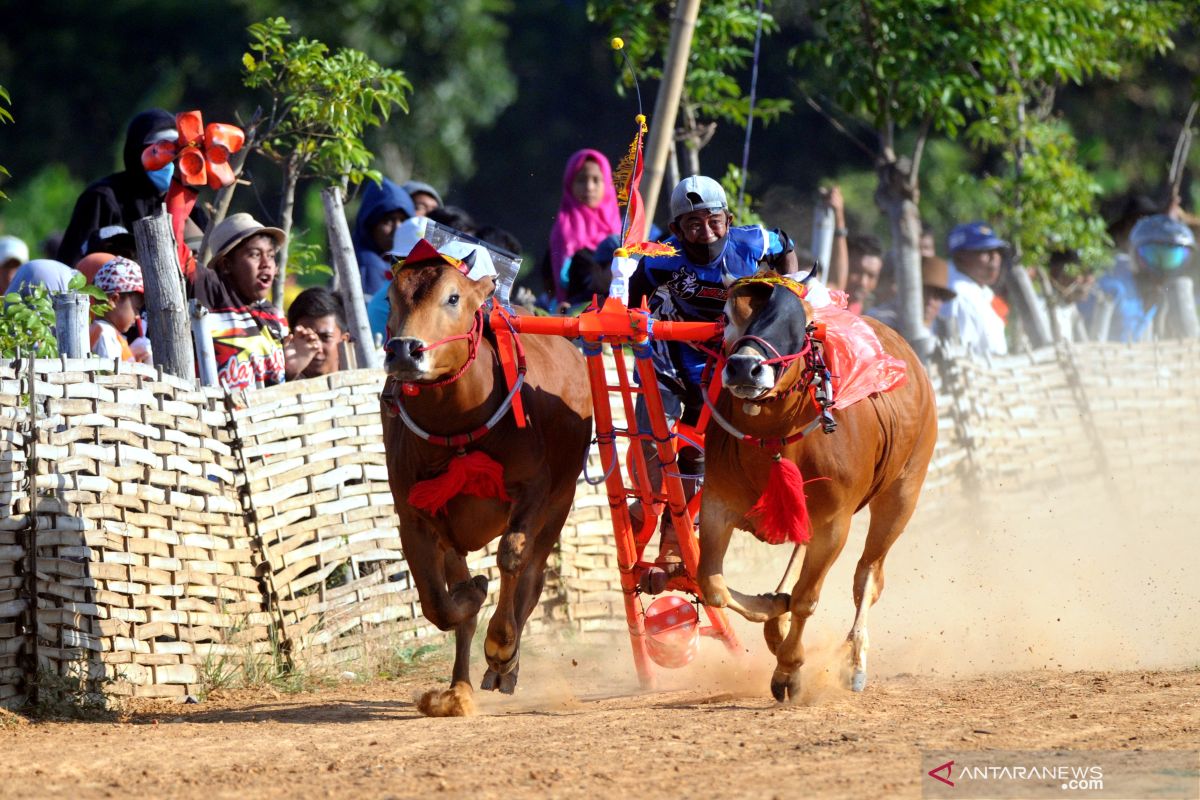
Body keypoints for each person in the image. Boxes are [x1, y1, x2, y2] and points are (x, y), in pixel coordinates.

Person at [627, 175, 798, 578]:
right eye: (692, 225)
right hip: (672, 354)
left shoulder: (752, 241)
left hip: (727, 359)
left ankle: (676, 538)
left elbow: (786, 246)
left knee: (697, 451)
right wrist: (626, 314)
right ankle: (644, 511)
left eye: (714, 221)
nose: (705, 233)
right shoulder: (659, 257)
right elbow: (632, 291)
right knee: (652, 441)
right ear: (675, 230)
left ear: (728, 219)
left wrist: (790, 291)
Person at [57, 109, 206, 266]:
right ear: (136, 153)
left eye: (176, 152)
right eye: (160, 151)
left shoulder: (186, 203)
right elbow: (72, 264)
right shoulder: (103, 198)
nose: (169, 162)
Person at [192, 213, 317, 391]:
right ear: (226, 265)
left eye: (271, 255)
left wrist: (289, 371)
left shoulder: (274, 316)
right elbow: (174, 252)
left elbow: (272, 391)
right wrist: (185, 188)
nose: (266, 263)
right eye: (255, 255)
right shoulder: (211, 292)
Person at [1087, 213, 1196, 342]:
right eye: (1153, 257)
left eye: (1173, 259)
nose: (1162, 270)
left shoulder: (1165, 293)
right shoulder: (1113, 288)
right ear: (1135, 255)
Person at [545, 149, 622, 310]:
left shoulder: (620, 231)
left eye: (596, 180)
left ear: (607, 183)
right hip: (571, 315)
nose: (589, 187)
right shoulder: (562, 233)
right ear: (569, 183)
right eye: (581, 180)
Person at [939, 221, 1010, 356]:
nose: (994, 257)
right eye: (984, 251)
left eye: (996, 251)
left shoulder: (980, 290)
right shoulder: (958, 294)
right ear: (960, 257)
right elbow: (963, 355)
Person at [865, 255, 956, 356]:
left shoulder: (941, 331)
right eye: (926, 292)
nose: (931, 301)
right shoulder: (881, 320)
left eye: (937, 296)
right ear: (912, 292)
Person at [352, 177, 415, 298]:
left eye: (403, 220)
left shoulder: (395, 263)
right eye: (388, 221)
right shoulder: (369, 267)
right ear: (370, 225)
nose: (398, 229)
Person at [88, 256, 147, 363]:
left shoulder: (109, 333)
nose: (137, 316)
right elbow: (112, 376)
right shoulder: (105, 334)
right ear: (114, 300)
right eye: (136, 308)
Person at [286, 287, 351, 379]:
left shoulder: (365, 386)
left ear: (344, 340)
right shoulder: (272, 386)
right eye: (306, 337)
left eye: (326, 337)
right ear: (291, 339)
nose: (316, 347)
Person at [845, 234, 885, 315]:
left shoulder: (874, 316)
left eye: (871, 276)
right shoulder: (819, 306)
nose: (863, 282)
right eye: (856, 271)